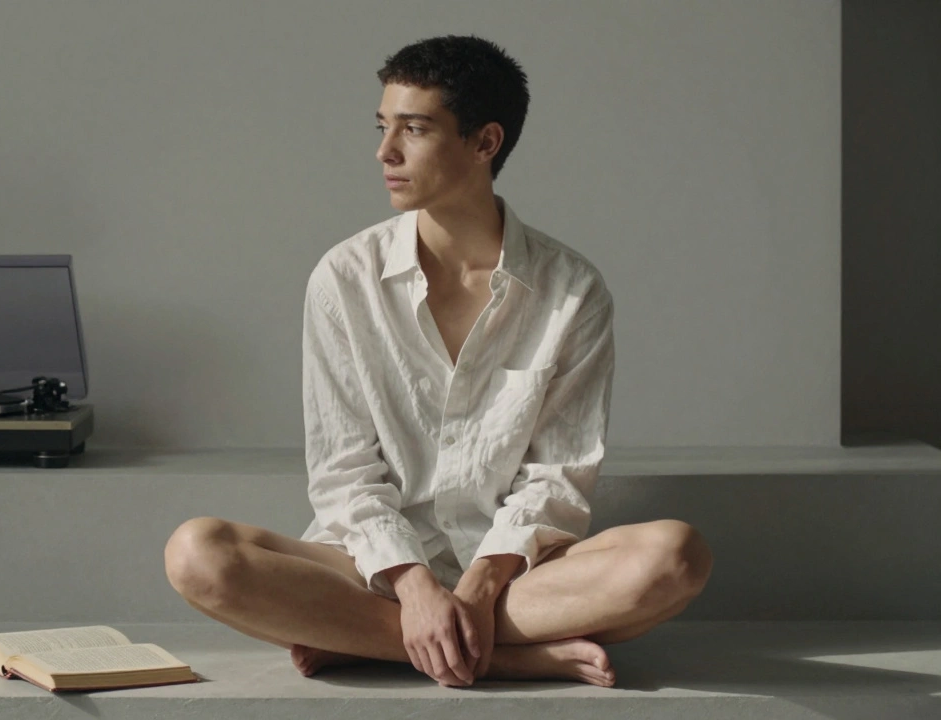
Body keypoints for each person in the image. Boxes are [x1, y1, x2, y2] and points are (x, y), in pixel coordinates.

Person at [164, 34, 713, 689]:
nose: (385, 152)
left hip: (515, 579)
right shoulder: (344, 278)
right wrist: (414, 584)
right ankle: (504, 657)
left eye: (415, 129)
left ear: (485, 143)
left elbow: (557, 479)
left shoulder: (572, 291)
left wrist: (478, 586)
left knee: (674, 557)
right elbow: (343, 473)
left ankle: (370, 639)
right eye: (382, 127)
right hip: (370, 568)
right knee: (197, 555)